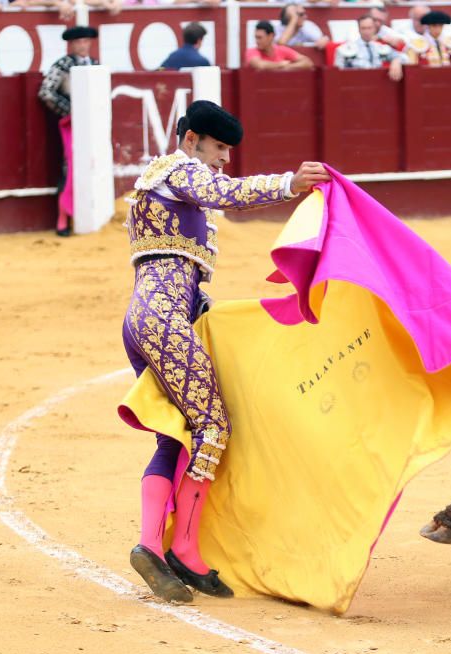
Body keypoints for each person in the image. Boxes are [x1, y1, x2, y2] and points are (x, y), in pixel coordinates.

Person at [122, 100, 331, 602]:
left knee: (179, 433)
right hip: (164, 322)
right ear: (191, 139)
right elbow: (227, 194)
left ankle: (167, 549)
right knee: (213, 427)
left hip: (153, 319)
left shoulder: (161, 186)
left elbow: (175, 266)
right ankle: (172, 548)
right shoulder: (179, 170)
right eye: (219, 148)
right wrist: (288, 184)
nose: (224, 159)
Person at [37, 26, 99, 237]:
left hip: (94, 125)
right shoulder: (63, 65)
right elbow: (46, 92)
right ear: (71, 45)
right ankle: (62, 219)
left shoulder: (96, 65)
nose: (83, 45)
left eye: (86, 41)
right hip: (71, 124)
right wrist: (72, 111)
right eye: (78, 42)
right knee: (69, 168)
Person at [334, 15, 406, 80]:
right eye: (363, 28)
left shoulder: (379, 47)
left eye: (369, 28)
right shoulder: (346, 49)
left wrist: (396, 62)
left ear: (374, 29)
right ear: (358, 29)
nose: (367, 31)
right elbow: (337, 72)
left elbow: (403, 57)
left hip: (378, 83)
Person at [245, 21, 314, 70]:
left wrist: (289, 67)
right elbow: (260, 65)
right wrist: (280, 64)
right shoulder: (251, 51)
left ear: (271, 36)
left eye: (260, 38)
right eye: (256, 37)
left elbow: (307, 62)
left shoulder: (281, 49)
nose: (257, 41)